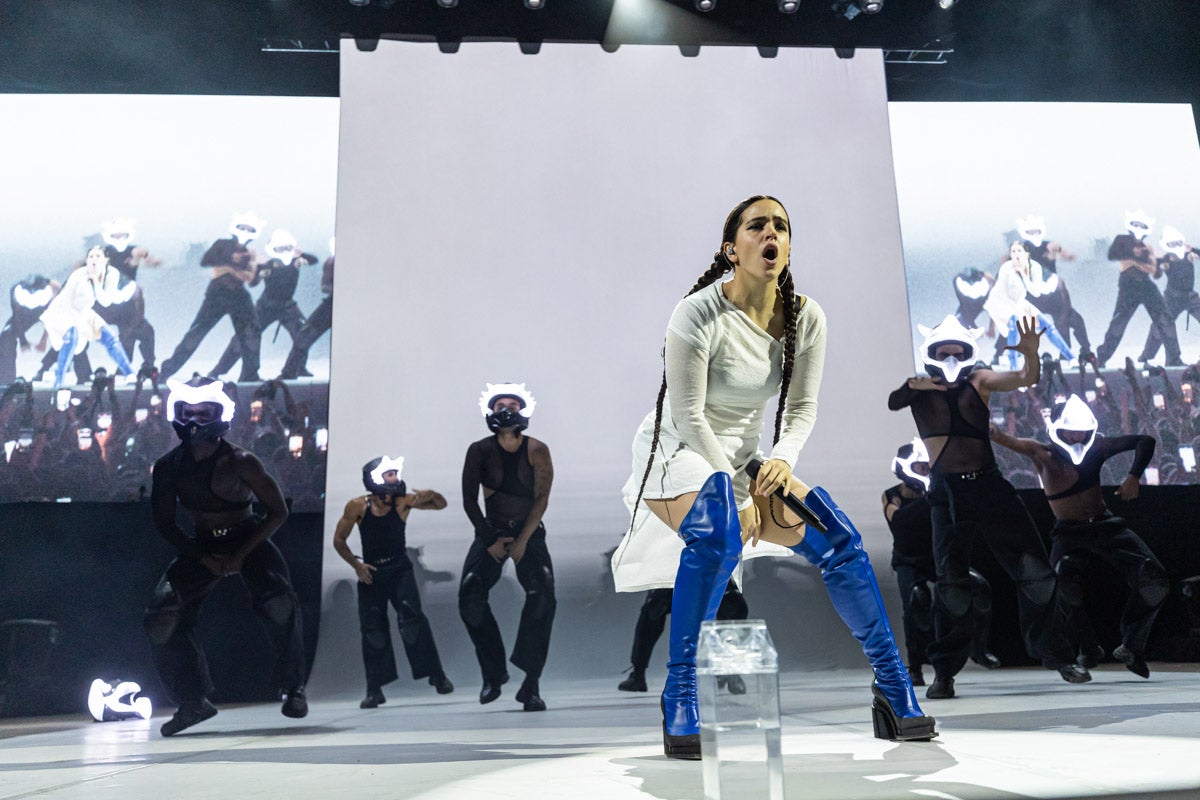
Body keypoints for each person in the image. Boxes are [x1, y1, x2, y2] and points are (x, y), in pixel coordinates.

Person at [611, 196, 935, 761]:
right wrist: (730, 493)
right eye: (757, 224)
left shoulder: (807, 316)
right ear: (731, 247)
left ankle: (893, 687)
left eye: (781, 226)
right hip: (677, 448)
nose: (771, 233)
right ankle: (679, 694)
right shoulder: (696, 312)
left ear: (788, 245)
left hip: (741, 453)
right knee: (718, 533)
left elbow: (801, 408)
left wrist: (780, 459)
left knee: (840, 540)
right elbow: (688, 414)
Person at [889, 315, 1091, 700]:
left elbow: (1025, 378)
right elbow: (893, 401)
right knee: (952, 587)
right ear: (930, 353)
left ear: (969, 352)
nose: (951, 358)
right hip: (947, 494)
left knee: (1037, 573)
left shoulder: (978, 381)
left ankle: (1059, 656)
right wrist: (911, 384)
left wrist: (1031, 353)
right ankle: (944, 673)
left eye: (958, 351)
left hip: (990, 486)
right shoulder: (919, 390)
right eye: (943, 352)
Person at [143, 377, 306, 736]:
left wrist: (241, 555)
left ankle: (293, 687)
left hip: (249, 538)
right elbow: (165, 523)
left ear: (219, 414)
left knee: (279, 603)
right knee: (161, 616)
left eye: (204, 413)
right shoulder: (169, 467)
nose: (195, 420)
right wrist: (203, 558)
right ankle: (193, 701)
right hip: (202, 546)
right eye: (188, 412)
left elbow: (277, 511)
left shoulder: (241, 462)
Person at [990, 395, 1166, 678]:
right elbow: (1002, 438)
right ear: (1056, 429)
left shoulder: (1097, 446)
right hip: (1068, 532)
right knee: (1061, 587)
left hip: (1105, 526)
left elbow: (1145, 441)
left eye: (1081, 431)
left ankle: (1132, 646)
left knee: (1154, 580)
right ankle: (1087, 646)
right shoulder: (1042, 454)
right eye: (1070, 431)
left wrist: (1134, 475)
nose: (1076, 436)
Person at [460, 382, 555, 712]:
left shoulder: (538, 449)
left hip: (529, 533)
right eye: (500, 404)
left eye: (512, 405)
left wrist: (523, 541)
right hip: (491, 533)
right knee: (470, 594)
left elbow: (541, 499)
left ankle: (531, 684)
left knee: (542, 595)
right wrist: (489, 540)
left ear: (523, 411)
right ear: (489, 411)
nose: (506, 409)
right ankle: (493, 673)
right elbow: (468, 501)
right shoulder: (479, 450)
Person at [332, 455, 455, 708]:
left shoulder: (403, 503)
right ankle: (374, 689)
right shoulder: (357, 506)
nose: (396, 479)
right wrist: (356, 565)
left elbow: (440, 504)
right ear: (375, 478)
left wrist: (432, 493)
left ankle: (437, 675)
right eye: (390, 474)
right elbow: (338, 540)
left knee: (412, 619)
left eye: (396, 474)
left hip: (400, 569)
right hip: (372, 572)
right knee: (373, 629)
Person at [882, 438, 999, 687]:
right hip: (908, 561)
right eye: (920, 467)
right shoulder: (892, 496)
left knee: (979, 588)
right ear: (904, 468)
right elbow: (898, 521)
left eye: (928, 467)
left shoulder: (941, 491)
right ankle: (914, 666)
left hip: (939, 556)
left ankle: (978, 648)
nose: (925, 471)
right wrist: (930, 499)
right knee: (916, 599)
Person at [159, 213, 265, 382]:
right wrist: (230, 261)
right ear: (235, 228)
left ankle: (250, 375)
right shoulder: (222, 244)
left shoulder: (251, 253)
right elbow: (206, 260)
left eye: (249, 228)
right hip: (218, 294)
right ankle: (166, 372)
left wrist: (261, 270)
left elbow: (253, 281)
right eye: (242, 227)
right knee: (196, 334)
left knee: (252, 333)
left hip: (239, 296)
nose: (245, 231)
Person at [210, 229, 318, 380]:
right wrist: (260, 270)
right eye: (280, 248)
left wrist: (301, 254)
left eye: (287, 248)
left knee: (304, 334)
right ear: (273, 249)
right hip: (266, 307)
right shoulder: (267, 265)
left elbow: (313, 260)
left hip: (287, 306)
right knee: (245, 337)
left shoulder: (296, 262)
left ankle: (295, 369)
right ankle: (218, 371)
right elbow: (253, 283)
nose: (284, 251)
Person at [617, 581, 749, 694]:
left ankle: (730, 670)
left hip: (707, 566)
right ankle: (638, 674)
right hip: (680, 569)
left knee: (733, 604)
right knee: (653, 610)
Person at [1095, 210, 1183, 368]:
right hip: (1129, 285)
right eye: (1136, 224)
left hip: (1146, 286)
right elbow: (1112, 254)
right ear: (1130, 224)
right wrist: (1138, 255)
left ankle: (1174, 358)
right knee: (1119, 323)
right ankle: (1101, 358)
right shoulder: (1122, 240)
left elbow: (1155, 273)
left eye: (1142, 224)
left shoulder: (1148, 247)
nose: (1139, 227)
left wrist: (1160, 265)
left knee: (1165, 319)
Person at [38, 247, 134, 391]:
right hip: (62, 313)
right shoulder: (78, 275)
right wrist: (77, 328)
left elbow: (105, 301)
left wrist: (96, 282)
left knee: (110, 337)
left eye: (98, 256)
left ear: (105, 260)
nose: (94, 259)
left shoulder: (112, 274)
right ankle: (59, 380)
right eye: (90, 256)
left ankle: (130, 374)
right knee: (72, 335)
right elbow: (66, 302)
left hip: (83, 313)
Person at [983, 241, 1075, 369]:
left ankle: (1071, 357)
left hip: (1020, 302)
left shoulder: (1035, 267)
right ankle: (1013, 366)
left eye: (1019, 251)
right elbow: (1001, 294)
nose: (1016, 254)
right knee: (1013, 325)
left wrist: (1025, 276)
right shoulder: (1006, 268)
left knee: (1047, 326)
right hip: (1002, 304)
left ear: (1026, 253)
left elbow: (1036, 292)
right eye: (1013, 251)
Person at [1015, 215, 1092, 359]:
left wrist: (1060, 253)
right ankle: (1005, 353)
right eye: (1031, 232)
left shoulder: (1049, 245)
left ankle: (1083, 350)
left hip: (1051, 292)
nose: (1034, 235)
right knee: (1018, 322)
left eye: (1036, 231)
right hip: (1032, 294)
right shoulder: (1020, 248)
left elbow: (1065, 254)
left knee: (1072, 319)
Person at [96, 217, 161, 376]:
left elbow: (142, 253)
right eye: (115, 235)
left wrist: (148, 259)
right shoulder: (103, 252)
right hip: (106, 304)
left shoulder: (132, 250)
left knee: (144, 332)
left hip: (127, 303)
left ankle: (146, 367)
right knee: (79, 332)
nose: (119, 239)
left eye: (122, 235)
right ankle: (52, 368)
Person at [1140, 226, 1200, 365]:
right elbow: (1156, 272)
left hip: (1191, 296)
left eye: (1177, 243)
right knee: (1162, 324)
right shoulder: (1166, 260)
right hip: (1172, 297)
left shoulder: (1189, 255)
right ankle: (1155, 356)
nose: (1176, 246)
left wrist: (1193, 249)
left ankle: (1155, 357)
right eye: (1172, 244)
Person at [279, 237, 334, 380]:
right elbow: (325, 287)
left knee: (305, 334)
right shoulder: (331, 261)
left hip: (335, 304)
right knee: (304, 334)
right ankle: (291, 371)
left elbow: (325, 286)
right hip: (330, 304)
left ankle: (291, 371)